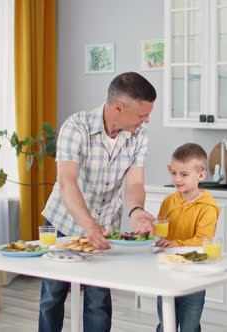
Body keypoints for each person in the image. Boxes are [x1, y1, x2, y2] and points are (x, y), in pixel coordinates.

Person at [39, 72, 158, 332]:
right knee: (53, 296)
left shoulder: (139, 135)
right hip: (64, 221)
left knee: (98, 300)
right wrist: (88, 225)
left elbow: (135, 183)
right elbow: (67, 182)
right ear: (119, 107)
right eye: (142, 115)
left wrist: (136, 211)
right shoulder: (76, 127)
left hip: (105, 225)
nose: (146, 120)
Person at [153, 143, 220, 332]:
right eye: (173, 173)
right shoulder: (169, 201)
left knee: (190, 326)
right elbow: (161, 232)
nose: (177, 179)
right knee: (166, 324)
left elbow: (203, 240)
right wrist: (151, 233)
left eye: (183, 174)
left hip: (194, 272)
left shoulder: (208, 206)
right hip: (168, 269)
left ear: (201, 175)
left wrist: (175, 243)